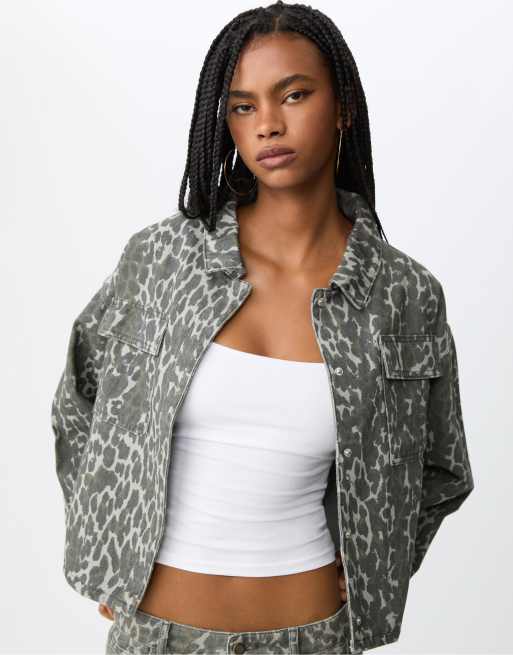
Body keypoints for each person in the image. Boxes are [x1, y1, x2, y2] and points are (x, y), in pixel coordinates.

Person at [51, 2, 474, 653]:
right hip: (154, 636)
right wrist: (106, 540)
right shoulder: (162, 260)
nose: (268, 124)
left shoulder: (402, 294)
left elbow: (441, 466)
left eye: (294, 95)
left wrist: (378, 564)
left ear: (343, 107)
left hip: (314, 636)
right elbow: (79, 398)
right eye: (243, 107)